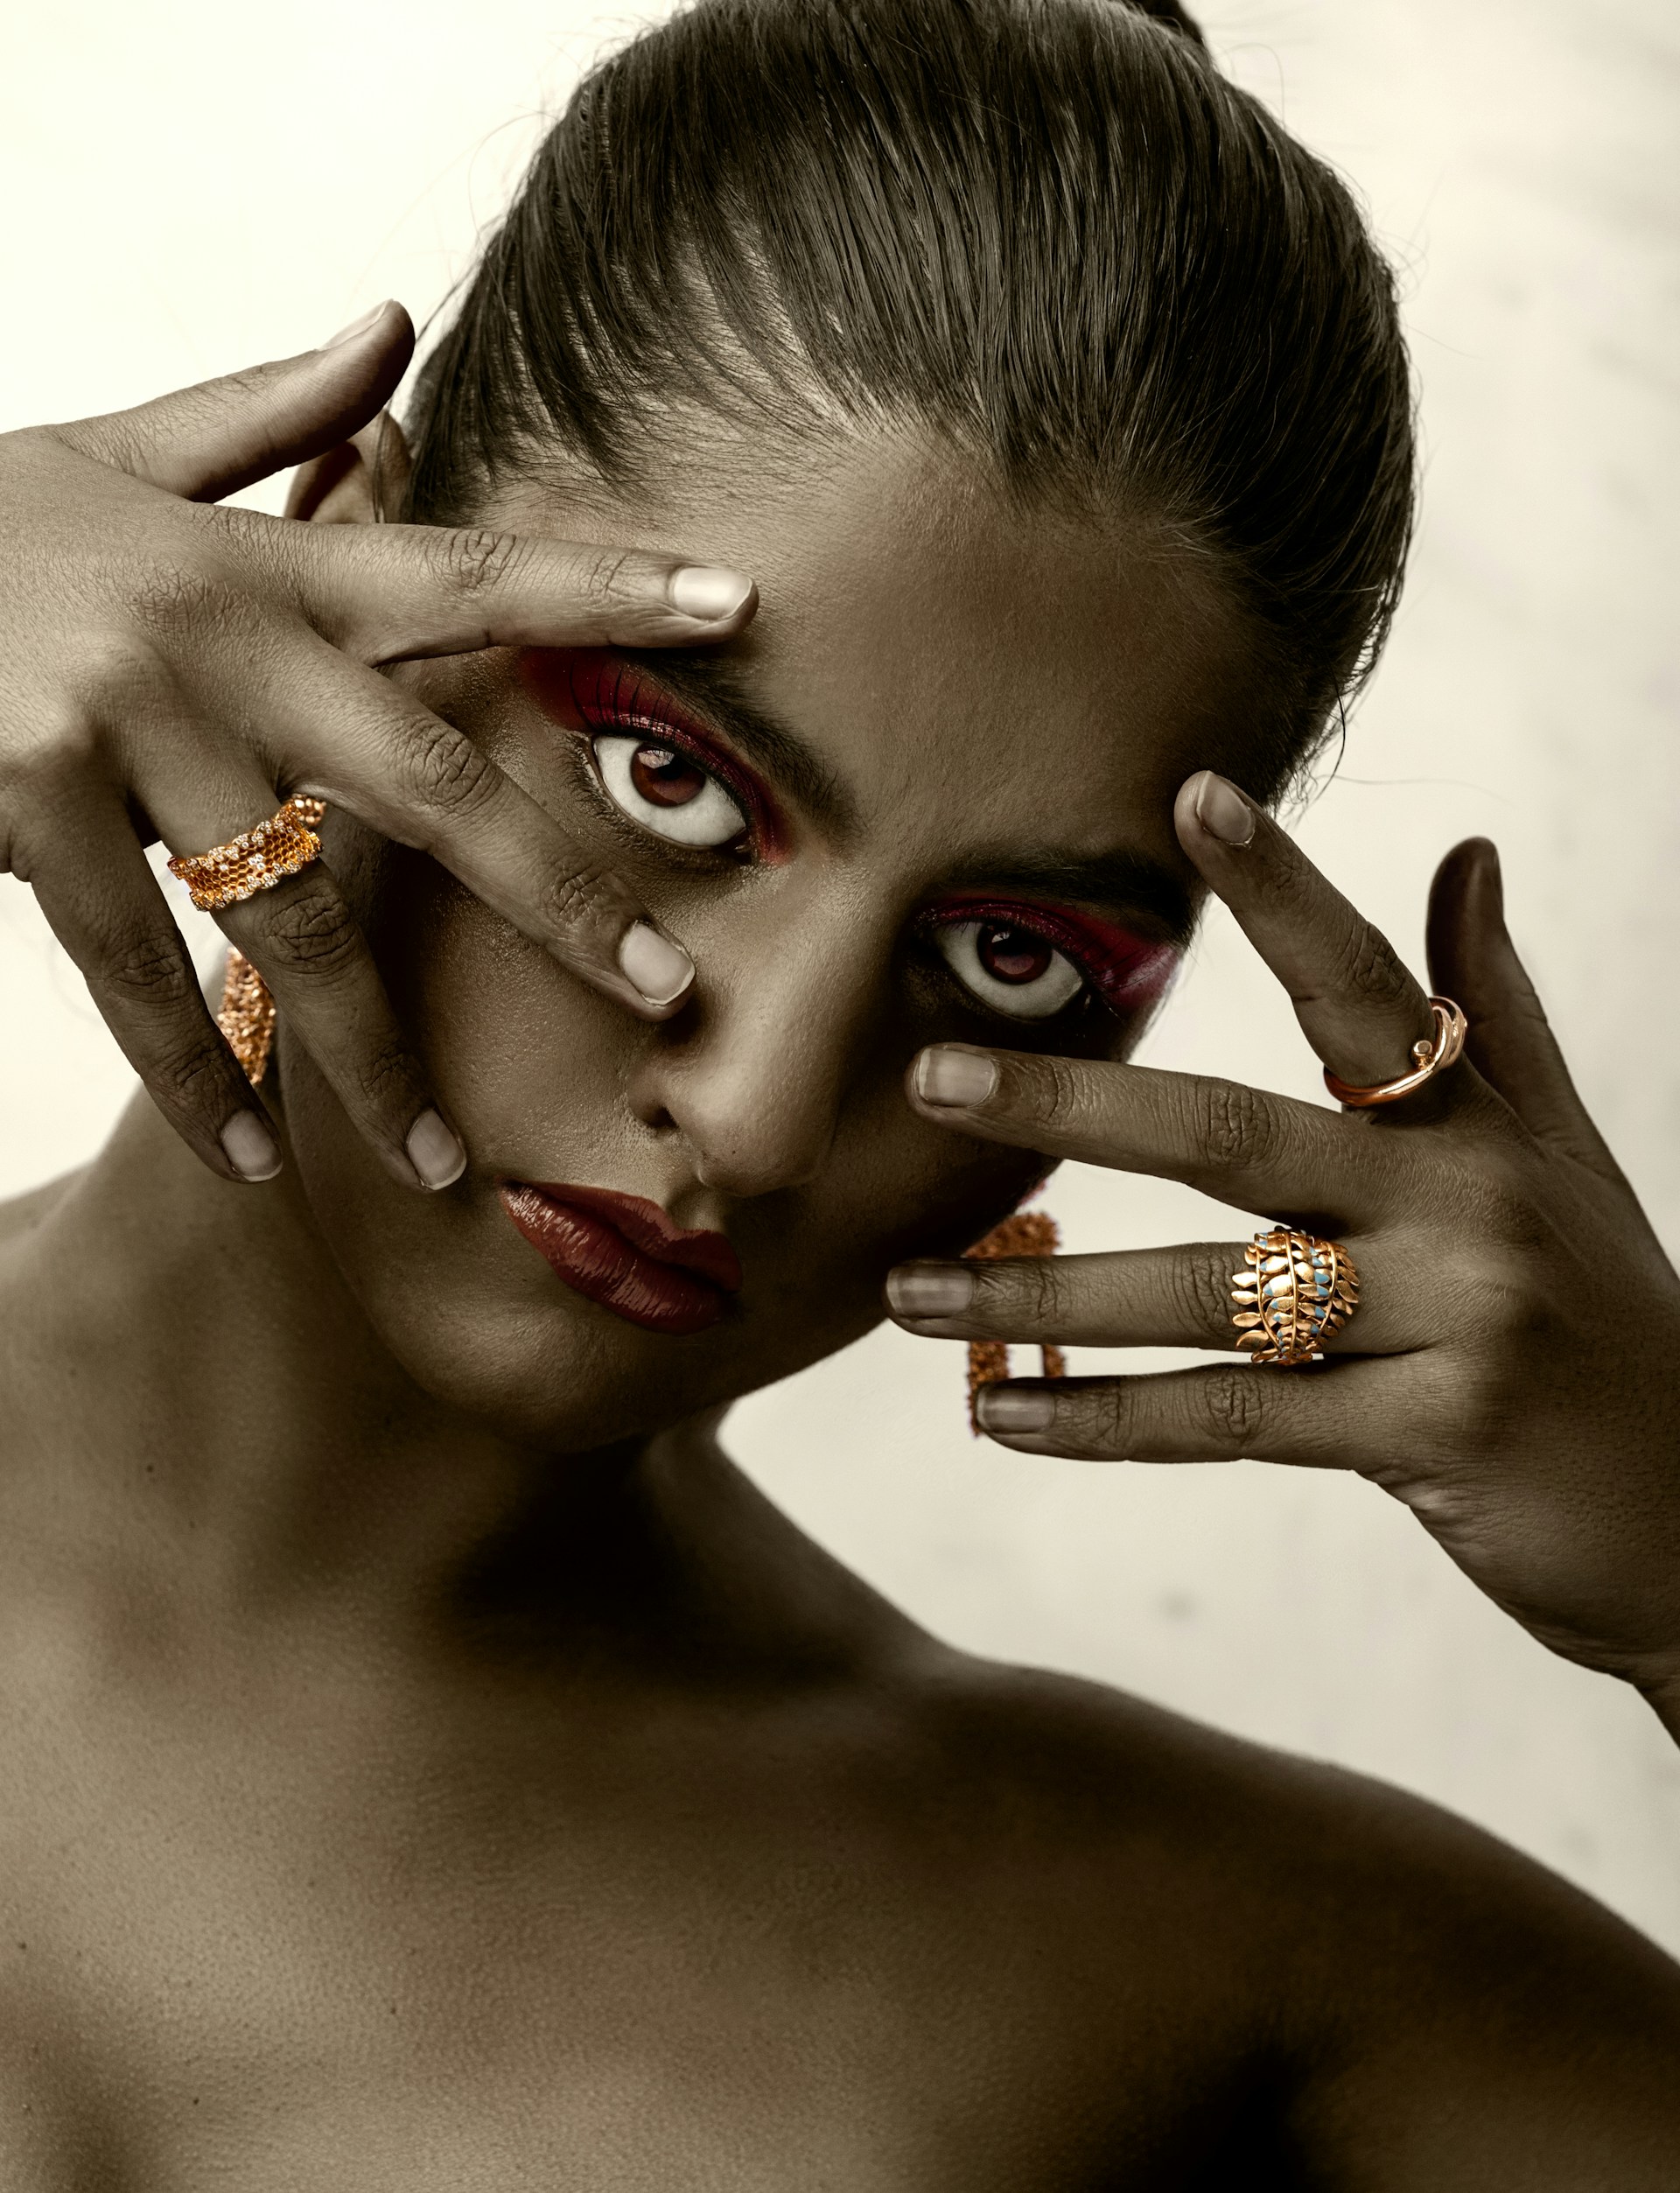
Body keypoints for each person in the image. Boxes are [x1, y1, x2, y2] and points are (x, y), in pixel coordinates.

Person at [1, 0, 1676, 2179]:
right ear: (339, 540)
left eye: (1017, 958)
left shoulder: (1194, 1972)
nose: (771, 1111)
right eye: (670, 775)